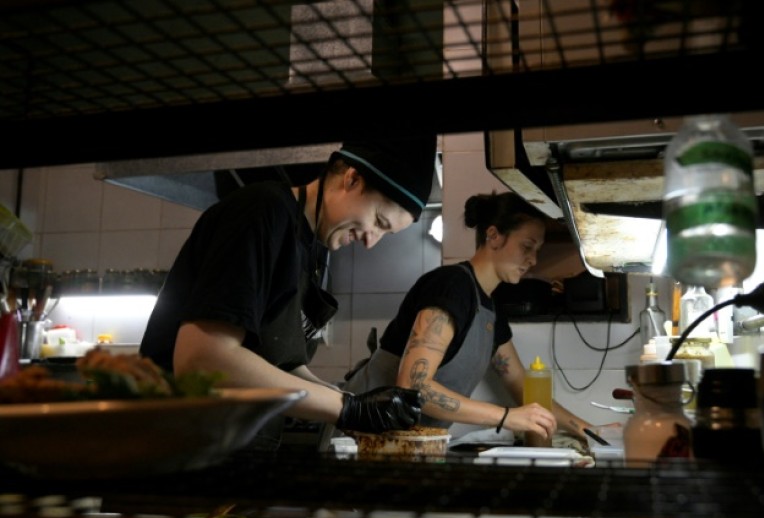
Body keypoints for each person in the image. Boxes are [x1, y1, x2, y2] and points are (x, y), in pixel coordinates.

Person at [139, 136, 438, 446]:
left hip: (235, 449)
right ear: (352, 179)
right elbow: (201, 360)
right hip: (177, 449)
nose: (371, 241)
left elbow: (281, 365)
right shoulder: (261, 211)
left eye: (384, 234)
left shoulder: (313, 249)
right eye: (378, 221)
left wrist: (354, 402)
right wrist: (345, 408)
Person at [343, 191, 599, 443]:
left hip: (403, 446)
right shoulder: (452, 286)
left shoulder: (490, 308)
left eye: (537, 250)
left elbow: (521, 385)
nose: (533, 260)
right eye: (527, 246)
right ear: (494, 236)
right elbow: (413, 385)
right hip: (357, 438)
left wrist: (588, 431)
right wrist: (506, 417)